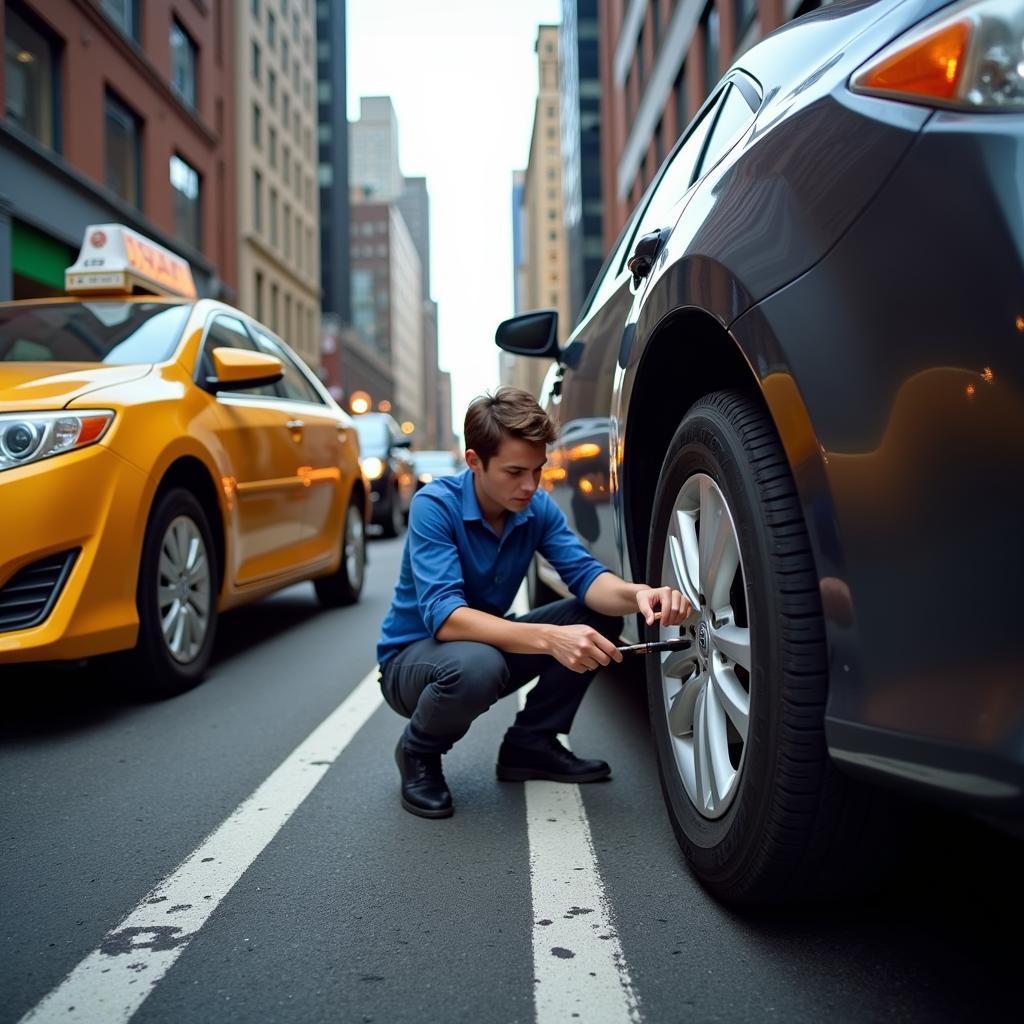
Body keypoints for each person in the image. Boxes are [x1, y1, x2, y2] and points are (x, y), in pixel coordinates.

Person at [377, 387, 692, 818]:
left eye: (537, 470)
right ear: (474, 462)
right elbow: (445, 618)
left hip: (485, 649)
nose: (529, 485)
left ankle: (531, 743)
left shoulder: (535, 508)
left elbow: (586, 578)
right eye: (514, 471)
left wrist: (640, 594)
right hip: (412, 665)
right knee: (479, 665)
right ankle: (418, 751)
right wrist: (549, 638)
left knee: (595, 616)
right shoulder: (435, 505)